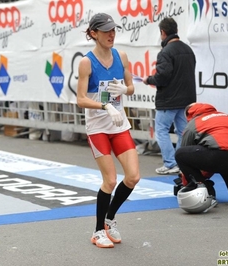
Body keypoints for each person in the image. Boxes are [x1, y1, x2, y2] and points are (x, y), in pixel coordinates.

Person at [76, 13, 141, 248]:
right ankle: (97, 231)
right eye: (106, 31)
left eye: (113, 30)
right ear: (94, 34)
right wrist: (104, 105)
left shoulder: (120, 55)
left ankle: (109, 219)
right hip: (98, 128)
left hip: (118, 124)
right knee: (110, 180)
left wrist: (125, 89)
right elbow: (81, 99)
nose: (111, 34)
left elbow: (131, 87)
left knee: (133, 176)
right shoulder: (86, 62)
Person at [142, 17, 196, 175]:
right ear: (176, 31)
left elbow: (163, 77)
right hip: (186, 101)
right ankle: (179, 162)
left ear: (162, 33)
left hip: (168, 100)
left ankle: (170, 163)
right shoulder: (188, 49)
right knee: (183, 132)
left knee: (161, 130)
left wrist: (149, 80)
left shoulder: (165, 52)